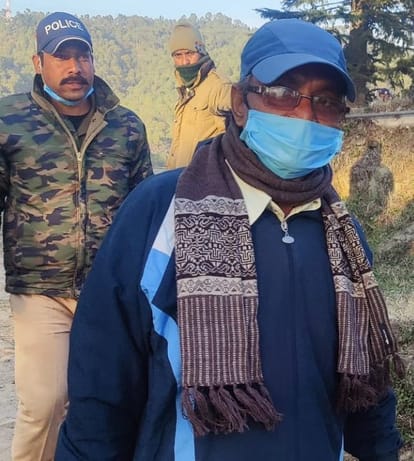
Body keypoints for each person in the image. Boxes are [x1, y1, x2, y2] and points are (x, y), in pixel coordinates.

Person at [56, 19, 405, 461]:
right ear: (240, 103)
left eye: (326, 102)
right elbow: (102, 384)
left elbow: (366, 384)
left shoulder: (342, 233)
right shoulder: (160, 212)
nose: (305, 116)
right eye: (282, 93)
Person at [0, 11, 152, 461]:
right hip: (40, 288)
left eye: (82, 55)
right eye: (61, 57)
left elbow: (144, 211)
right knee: (46, 405)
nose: (74, 67)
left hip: (109, 290)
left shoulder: (126, 126)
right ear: (38, 62)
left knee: (106, 402)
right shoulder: (9, 120)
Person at [166, 22, 231, 169]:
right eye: (178, 55)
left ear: (201, 51)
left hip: (203, 179)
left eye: (189, 53)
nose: (185, 61)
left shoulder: (219, 86)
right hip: (179, 178)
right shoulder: (185, 90)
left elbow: (230, 143)